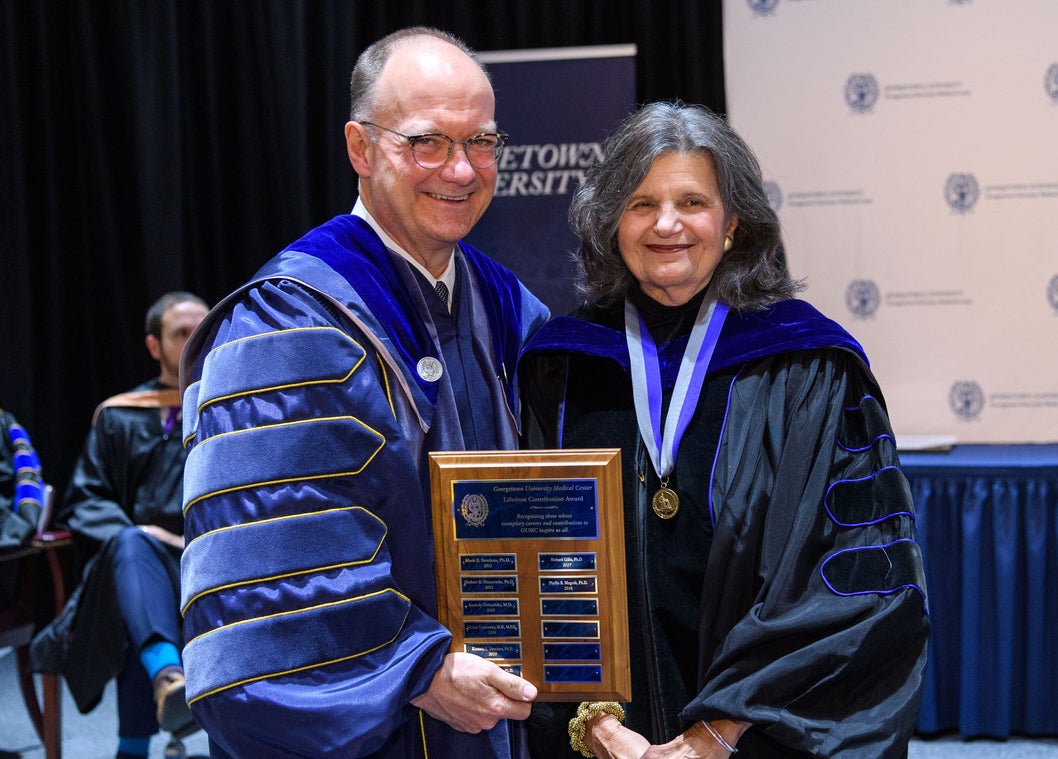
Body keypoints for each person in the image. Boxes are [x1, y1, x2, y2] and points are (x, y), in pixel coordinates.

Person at [178, 27, 548, 759]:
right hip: (379, 727)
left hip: (494, 709)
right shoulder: (293, 315)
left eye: (482, 142)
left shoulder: (507, 305)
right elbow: (276, 557)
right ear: (360, 148)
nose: (462, 168)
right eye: (427, 142)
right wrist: (419, 665)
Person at [519, 102, 929, 758]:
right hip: (604, 740)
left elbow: (855, 584)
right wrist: (596, 724)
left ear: (732, 222)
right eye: (641, 202)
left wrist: (712, 734)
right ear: (612, 221)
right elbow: (539, 569)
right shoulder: (563, 367)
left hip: (755, 738)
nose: (667, 224)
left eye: (692, 201)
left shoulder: (809, 367)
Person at [45, 291, 208, 759]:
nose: (197, 338)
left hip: (214, 558)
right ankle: (168, 682)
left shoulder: (237, 408)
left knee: (141, 598)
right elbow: (86, 500)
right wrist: (146, 538)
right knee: (134, 560)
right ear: (154, 346)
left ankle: (135, 741)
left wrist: (185, 540)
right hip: (137, 561)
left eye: (204, 328)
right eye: (182, 332)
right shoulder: (120, 416)